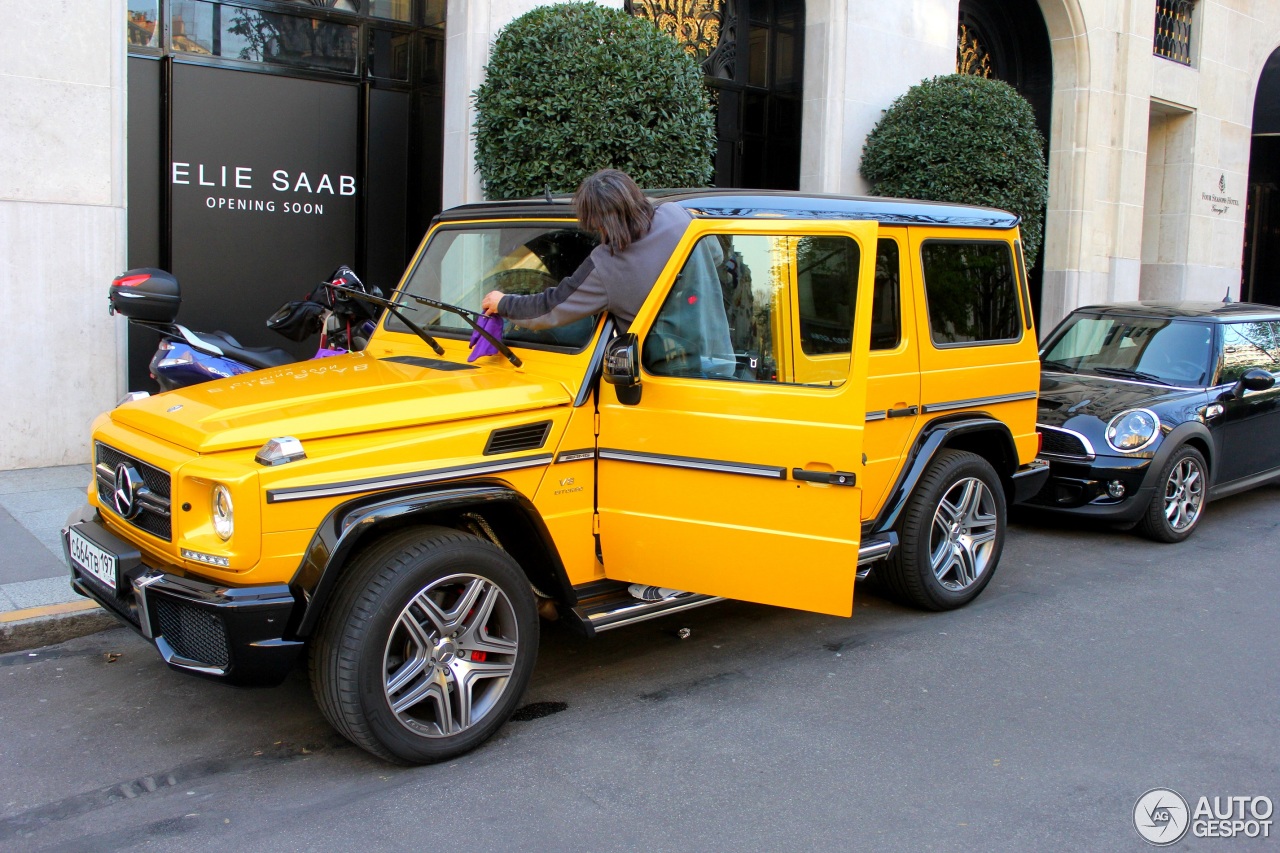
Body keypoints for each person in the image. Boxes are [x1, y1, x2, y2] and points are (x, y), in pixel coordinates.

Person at [480, 169, 692, 333]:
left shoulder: (607, 265)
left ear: (598, 221)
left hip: (659, 369)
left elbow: (552, 306)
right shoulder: (677, 217)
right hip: (712, 354)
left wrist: (504, 303)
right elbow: (716, 257)